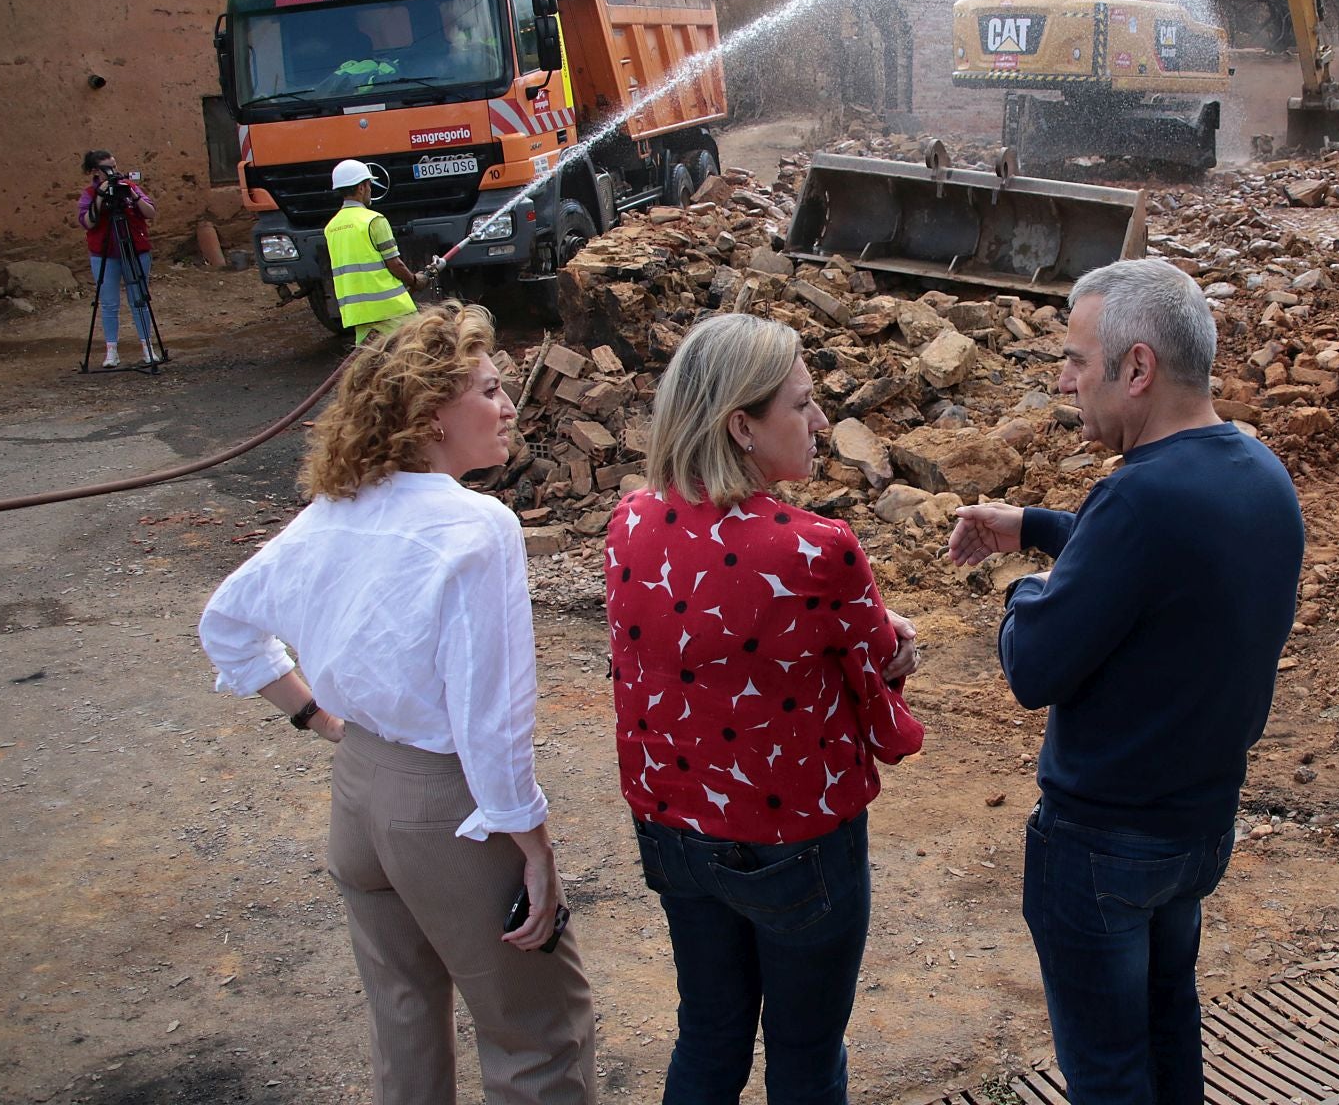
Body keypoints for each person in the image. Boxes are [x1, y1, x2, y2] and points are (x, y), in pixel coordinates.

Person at [198, 303, 596, 1105]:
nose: (508, 407)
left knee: (405, 1025)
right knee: (538, 1034)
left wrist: (317, 716)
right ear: (431, 411)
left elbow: (226, 623)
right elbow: (490, 720)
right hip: (446, 809)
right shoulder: (479, 527)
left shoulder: (335, 510)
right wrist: (534, 846)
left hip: (360, 798)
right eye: (489, 390)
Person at [946, 258, 1303, 1105]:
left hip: (1104, 843)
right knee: (1168, 1029)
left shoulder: (1138, 500)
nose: (1064, 381)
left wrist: (1025, 588)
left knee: (1108, 1072)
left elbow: (1033, 666)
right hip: (1196, 829)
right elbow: (1164, 561)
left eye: (1076, 361)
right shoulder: (1259, 475)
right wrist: (1037, 526)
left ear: (1137, 368)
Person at [606, 313, 924, 1105]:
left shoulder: (630, 521)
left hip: (674, 832)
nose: (822, 423)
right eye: (803, 404)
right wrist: (893, 651)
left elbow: (688, 639)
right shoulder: (817, 547)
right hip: (796, 846)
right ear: (741, 426)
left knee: (708, 1036)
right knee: (806, 1056)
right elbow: (876, 704)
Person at [324, 159, 432, 343]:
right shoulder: (374, 220)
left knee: (370, 358)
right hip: (390, 308)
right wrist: (415, 280)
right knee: (420, 348)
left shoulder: (331, 227)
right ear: (361, 188)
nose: (370, 190)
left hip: (358, 313)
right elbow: (395, 264)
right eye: (369, 185)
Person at [77, 148, 159, 368]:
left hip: (135, 250)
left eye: (115, 166)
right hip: (104, 254)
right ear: (95, 171)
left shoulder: (128, 187)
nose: (114, 171)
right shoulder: (90, 193)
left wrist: (132, 194)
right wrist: (100, 196)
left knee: (139, 299)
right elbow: (87, 222)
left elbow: (150, 212)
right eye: (108, 168)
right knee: (109, 303)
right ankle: (111, 351)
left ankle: (147, 347)